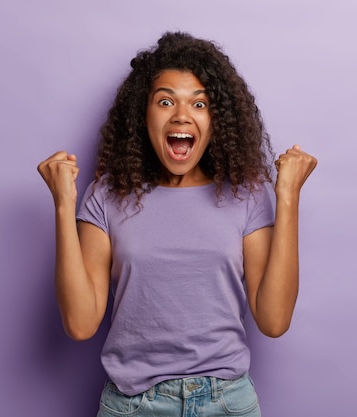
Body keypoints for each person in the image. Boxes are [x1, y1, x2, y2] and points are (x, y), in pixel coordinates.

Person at [37, 31, 317, 417]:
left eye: (199, 103)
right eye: (165, 101)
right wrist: (64, 205)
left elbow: (274, 320)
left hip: (226, 403)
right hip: (134, 406)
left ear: (216, 118)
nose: (182, 115)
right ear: (143, 115)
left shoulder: (245, 195)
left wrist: (288, 198)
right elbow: (80, 324)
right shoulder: (106, 196)